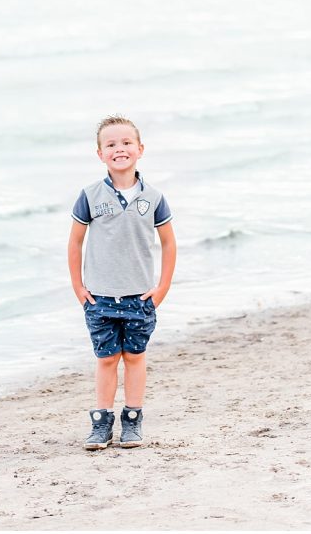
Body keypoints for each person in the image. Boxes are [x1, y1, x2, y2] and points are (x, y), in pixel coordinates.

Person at [67, 115, 176, 450]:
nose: (120, 149)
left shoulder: (154, 198)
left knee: (134, 357)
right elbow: (75, 242)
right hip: (100, 296)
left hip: (139, 296)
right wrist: (79, 287)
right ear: (100, 153)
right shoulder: (90, 195)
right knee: (106, 359)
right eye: (111, 144)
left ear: (140, 149)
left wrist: (162, 288)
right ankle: (101, 422)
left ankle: (132, 419)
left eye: (126, 143)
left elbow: (169, 243)